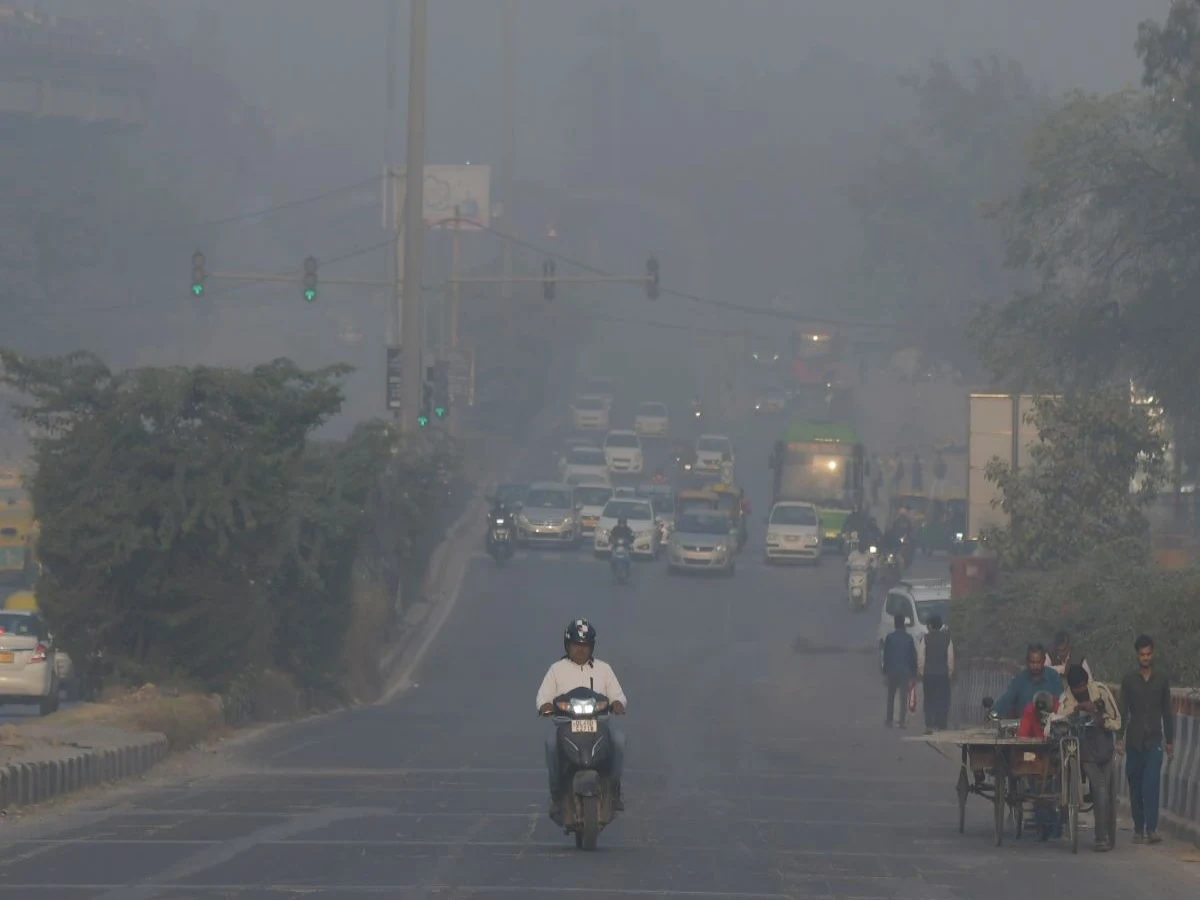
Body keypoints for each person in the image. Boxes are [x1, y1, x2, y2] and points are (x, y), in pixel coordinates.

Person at [537, 619, 627, 815]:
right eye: (576, 645)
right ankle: (557, 796)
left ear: (592, 646)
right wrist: (545, 705)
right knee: (551, 744)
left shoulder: (604, 669)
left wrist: (618, 703)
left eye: (585, 646)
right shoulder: (556, 670)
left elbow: (618, 695)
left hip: (598, 724)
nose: (580, 650)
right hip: (566, 725)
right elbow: (543, 697)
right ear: (568, 645)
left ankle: (614, 791)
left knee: (619, 740)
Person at [1118, 634, 1175, 845]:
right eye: (1142, 654)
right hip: (1133, 741)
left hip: (1154, 740)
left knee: (1151, 784)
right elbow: (1122, 711)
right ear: (1137, 655)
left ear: (1153, 654)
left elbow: (1167, 712)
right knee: (1135, 785)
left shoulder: (1161, 680)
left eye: (1149, 654)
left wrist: (1170, 741)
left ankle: (1152, 829)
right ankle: (1138, 828)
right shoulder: (1129, 680)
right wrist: (1119, 738)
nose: (1145, 658)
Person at [1060, 664, 1121, 852]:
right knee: (1100, 792)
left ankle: (1108, 835)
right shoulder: (1067, 698)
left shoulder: (1101, 691)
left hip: (1105, 748)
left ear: (1087, 682)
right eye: (1076, 689)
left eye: (1082, 687)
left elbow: (1117, 721)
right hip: (1085, 752)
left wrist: (1101, 719)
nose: (1080, 692)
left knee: (1111, 797)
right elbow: (1060, 718)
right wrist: (1078, 708)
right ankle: (1100, 838)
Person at [1018, 690, 1062, 840]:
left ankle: (1056, 824)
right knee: (1037, 790)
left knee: (1056, 790)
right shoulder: (1030, 710)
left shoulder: (1060, 709)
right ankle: (1045, 825)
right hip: (1037, 754)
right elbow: (1022, 735)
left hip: (1057, 754)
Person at [992, 643, 1064, 719]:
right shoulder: (1020, 679)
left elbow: (1061, 702)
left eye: (1038, 662)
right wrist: (994, 713)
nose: (1035, 666)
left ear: (1044, 660)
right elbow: (1007, 699)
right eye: (1032, 662)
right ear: (1027, 661)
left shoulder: (1053, 677)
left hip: (1048, 726)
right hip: (1022, 726)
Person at [918, 615, 954, 733]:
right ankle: (942, 724)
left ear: (930, 625)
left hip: (929, 674)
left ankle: (929, 724)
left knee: (929, 699)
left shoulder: (925, 639)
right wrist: (949, 672)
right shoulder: (947, 638)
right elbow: (950, 658)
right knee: (943, 699)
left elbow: (921, 657)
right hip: (943, 674)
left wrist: (922, 671)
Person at [882, 613, 918, 728]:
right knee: (903, 697)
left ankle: (889, 720)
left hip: (892, 670)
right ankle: (901, 721)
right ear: (903, 624)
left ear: (895, 624)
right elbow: (913, 657)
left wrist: (885, 671)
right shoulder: (909, 638)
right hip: (905, 670)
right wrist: (913, 672)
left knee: (890, 696)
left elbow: (886, 656)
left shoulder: (890, 637)